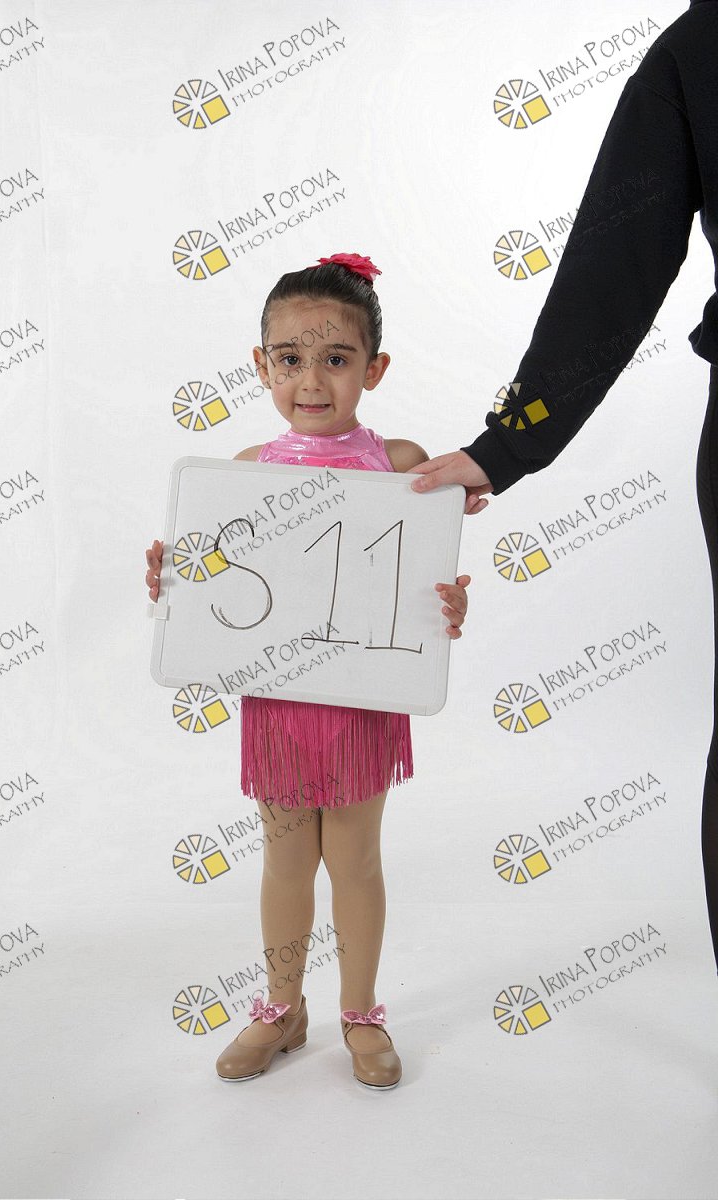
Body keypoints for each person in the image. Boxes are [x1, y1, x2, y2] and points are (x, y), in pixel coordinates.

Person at [407, 1, 718, 971]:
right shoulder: (702, 48)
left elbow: (613, 262)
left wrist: (509, 444)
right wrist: (506, 444)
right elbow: (614, 263)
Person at [144, 251, 471, 1088]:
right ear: (261, 366)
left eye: (336, 358)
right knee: (285, 858)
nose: (312, 381)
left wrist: (446, 606)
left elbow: (421, 577)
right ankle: (282, 1007)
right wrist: (174, 585)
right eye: (290, 359)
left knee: (354, 859)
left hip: (363, 696)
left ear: (374, 369)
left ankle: (360, 1012)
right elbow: (221, 587)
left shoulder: (401, 464)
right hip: (281, 697)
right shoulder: (247, 469)